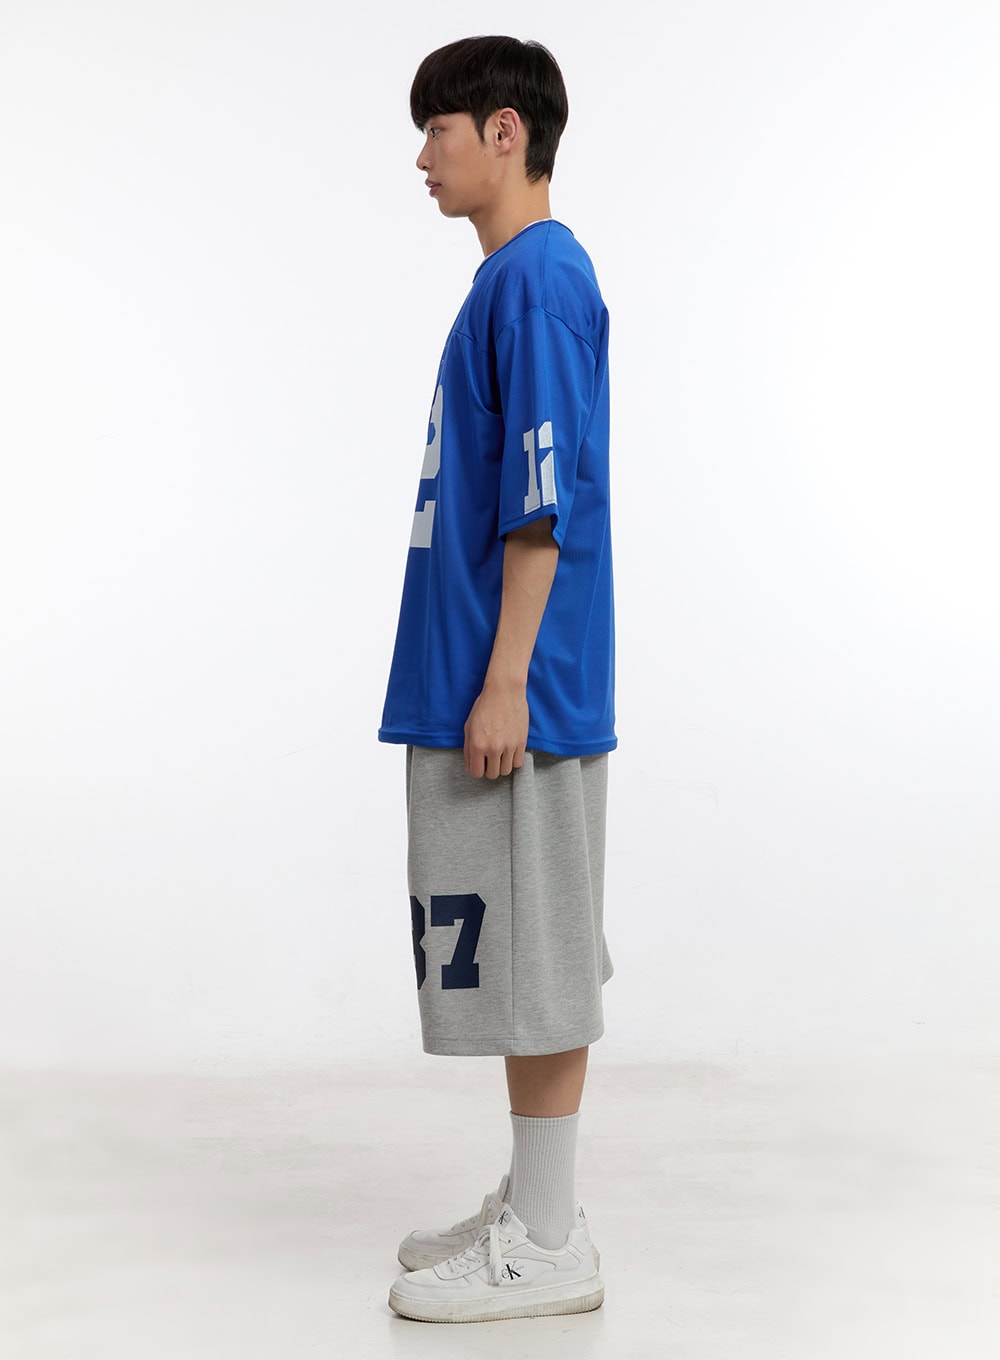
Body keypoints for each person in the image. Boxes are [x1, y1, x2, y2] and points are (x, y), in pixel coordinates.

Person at [378, 34, 616, 1324]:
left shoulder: (536, 282)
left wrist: (506, 681)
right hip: (481, 675)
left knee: (541, 958)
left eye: (439, 130)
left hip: (523, 691)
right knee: (516, 953)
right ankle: (532, 1206)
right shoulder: (512, 282)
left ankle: (552, 1242)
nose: (423, 157)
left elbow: (541, 508)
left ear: (505, 131)